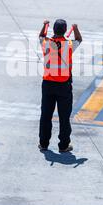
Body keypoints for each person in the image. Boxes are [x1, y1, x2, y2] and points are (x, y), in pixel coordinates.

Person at [38, 19, 82, 153]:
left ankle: (44, 143)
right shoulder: (69, 44)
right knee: (64, 116)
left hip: (48, 85)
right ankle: (63, 145)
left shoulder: (46, 43)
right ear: (65, 30)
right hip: (64, 85)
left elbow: (41, 36)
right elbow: (79, 39)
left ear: (54, 30)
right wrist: (75, 28)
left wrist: (45, 25)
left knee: (46, 114)